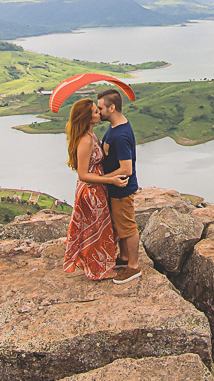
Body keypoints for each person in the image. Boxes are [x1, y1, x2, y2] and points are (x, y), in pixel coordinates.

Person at [63, 98, 128, 280]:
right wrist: (110, 180)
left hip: (98, 188)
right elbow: (83, 174)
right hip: (91, 191)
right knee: (95, 231)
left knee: (100, 230)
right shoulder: (85, 140)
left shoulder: (90, 136)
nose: (99, 113)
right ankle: (97, 270)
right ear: (88, 117)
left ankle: (101, 266)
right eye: (95, 111)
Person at [98, 88, 141, 283]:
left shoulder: (121, 135)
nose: (98, 112)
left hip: (122, 188)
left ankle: (133, 267)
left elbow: (126, 169)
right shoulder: (115, 128)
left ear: (112, 107)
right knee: (121, 226)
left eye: (100, 108)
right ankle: (124, 258)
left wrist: (104, 178)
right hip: (116, 188)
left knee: (127, 226)